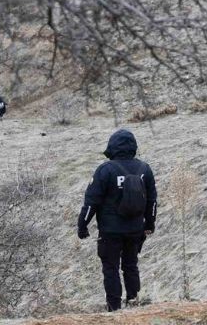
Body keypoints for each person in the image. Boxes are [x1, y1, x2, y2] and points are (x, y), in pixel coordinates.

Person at [78, 129, 158, 312]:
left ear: (112, 146)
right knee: (131, 265)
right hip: (135, 230)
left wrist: (82, 225)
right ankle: (133, 302)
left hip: (110, 231)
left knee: (111, 268)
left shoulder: (105, 170)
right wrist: (150, 224)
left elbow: (91, 202)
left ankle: (114, 309)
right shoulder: (144, 169)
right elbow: (152, 201)